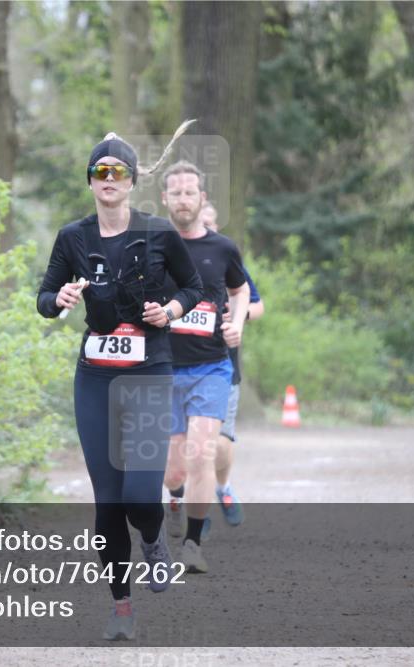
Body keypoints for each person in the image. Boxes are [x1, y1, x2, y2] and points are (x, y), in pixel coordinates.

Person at [36, 130, 203, 641]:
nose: (109, 180)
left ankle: (153, 539)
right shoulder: (73, 238)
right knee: (108, 500)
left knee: (139, 494)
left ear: (132, 182)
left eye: (118, 172)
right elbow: (43, 298)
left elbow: (194, 287)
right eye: (100, 171)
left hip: (150, 371)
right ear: (90, 181)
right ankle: (122, 608)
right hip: (96, 377)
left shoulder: (158, 234)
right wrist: (60, 298)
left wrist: (169, 310)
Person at [159, 161, 249, 574]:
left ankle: (193, 545)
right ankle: (175, 495)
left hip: (211, 368)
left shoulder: (223, 248)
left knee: (200, 455)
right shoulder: (152, 246)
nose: (182, 199)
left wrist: (235, 322)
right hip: (164, 369)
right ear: (165, 199)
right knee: (174, 469)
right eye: (175, 193)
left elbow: (240, 288)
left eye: (189, 192)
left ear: (202, 198)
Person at [167, 202, 263, 538]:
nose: (201, 226)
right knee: (180, 461)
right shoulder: (170, 254)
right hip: (177, 367)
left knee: (215, 446)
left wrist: (237, 318)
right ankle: (189, 501)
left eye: (209, 221)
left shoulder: (224, 254)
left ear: (216, 224)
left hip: (221, 366)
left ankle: (220, 490)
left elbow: (253, 300)